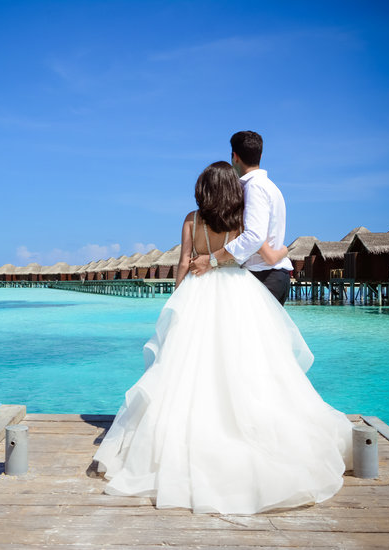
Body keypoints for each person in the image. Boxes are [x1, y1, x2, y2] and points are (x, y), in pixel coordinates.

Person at [93, 161, 353, 515]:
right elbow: (254, 251)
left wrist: (178, 298)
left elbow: (184, 261)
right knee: (246, 362)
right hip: (238, 290)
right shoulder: (241, 221)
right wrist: (274, 256)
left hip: (199, 291)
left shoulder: (192, 219)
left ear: (202, 188)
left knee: (189, 366)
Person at [190, 131, 292, 304]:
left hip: (263, 277)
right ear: (260, 155)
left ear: (234, 157)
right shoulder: (271, 187)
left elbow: (254, 237)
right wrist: (282, 251)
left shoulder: (253, 188)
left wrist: (211, 260)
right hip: (273, 274)